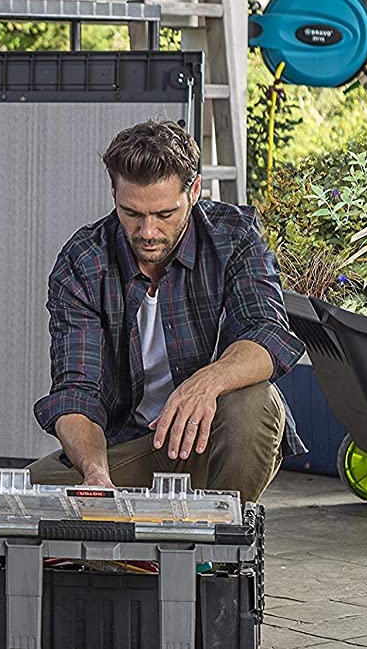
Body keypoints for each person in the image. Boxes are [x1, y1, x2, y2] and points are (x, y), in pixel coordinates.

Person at [26, 119, 305, 501]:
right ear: (113, 192)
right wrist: (95, 474)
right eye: (131, 213)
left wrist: (205, 383)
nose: (147, 232)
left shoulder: (234, 235)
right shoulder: (84, 261)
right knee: (31, 495)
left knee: (256, 404)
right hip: (134, 444)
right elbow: (77, 392)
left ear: (194, 191)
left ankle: (218, 531)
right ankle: (139, 525)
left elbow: (266, 332)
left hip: (216, 439)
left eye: (164, 214)